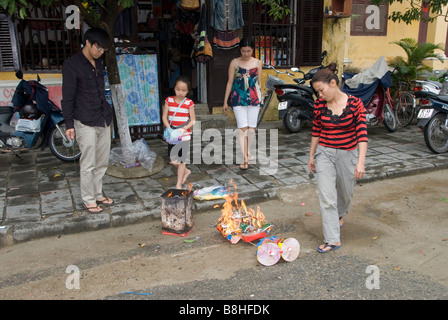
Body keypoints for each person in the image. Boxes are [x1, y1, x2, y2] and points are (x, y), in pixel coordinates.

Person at [307, 64, 368, 253]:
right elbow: (316, 131)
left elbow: (362, 135)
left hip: (347, 154)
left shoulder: (355, 104)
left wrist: (360, 162)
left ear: (333, 83)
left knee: (345, 193)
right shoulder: (319, 105)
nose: (319, 95)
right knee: (327, 197)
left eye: (321, 90)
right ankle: (332, 239)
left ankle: (339, 215)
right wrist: (311, 156)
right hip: (324, 153)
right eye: (317, 92)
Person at [61, 27, 113, 213]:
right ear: (88, 43)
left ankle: (98, 193)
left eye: (104, 50)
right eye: (98, 48)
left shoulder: (99, 63)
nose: (101, 52)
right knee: (88, 163)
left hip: (103, 118)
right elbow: (67, 98)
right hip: (84, 120)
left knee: (102, 161)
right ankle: (88, 199)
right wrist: (69, 124)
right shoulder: (72, 65)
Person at [223, 37, 263, 170]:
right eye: (243, 51)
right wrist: (225, 101)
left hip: (254, 98)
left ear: (252, 50)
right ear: (240, 50)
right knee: (242, 128)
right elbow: (229, 82)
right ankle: (244, 158)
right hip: (238, 97)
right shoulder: (234, 62)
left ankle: (247, 150)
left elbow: (259, 82)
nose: (246, 54)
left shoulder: (258, 63)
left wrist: (260, 98)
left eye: (248, 51)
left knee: (251, 129)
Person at [162, 76, 196, 189]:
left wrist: (184, 129)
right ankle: (185, 171)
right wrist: (169, 128)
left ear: (188, 91)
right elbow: (164, 117)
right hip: (172, 133)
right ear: (174, 88)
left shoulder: (189, 103)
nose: (180, 92)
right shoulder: (169, 100)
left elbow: (193, 120)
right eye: (178, 89)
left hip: (184, 134)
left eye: (184, 90)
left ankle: (178, 184)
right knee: (173, 160)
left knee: (181, 160)